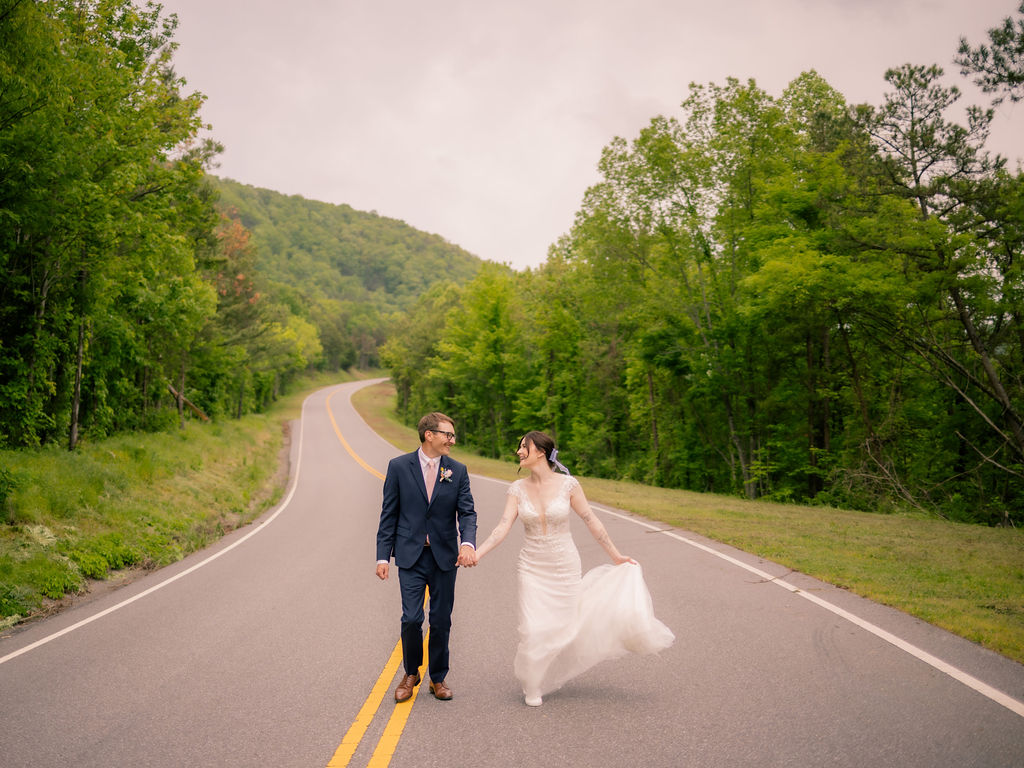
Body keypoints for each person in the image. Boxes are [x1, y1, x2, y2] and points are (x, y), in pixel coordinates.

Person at [473, 431, 674, 706]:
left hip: (564, 564)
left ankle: (554, 668)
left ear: (541, 452)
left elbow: (591, 519)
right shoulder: (517, 489)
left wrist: (616, 556)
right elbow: (502, 527)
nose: (518, 451)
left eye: (524, 447)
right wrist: (478, 553)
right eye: (519, 447)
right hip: (531, 565)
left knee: (564, 625)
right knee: (532, 627)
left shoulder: (568, 485)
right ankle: (533, 685)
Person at [376, 412, 477, 702]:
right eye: (448, 434)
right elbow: (389, 515)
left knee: (441, 619)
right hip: (410, 556)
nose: (452, 440)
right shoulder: (398, 467)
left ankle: (438, 677)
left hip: (445, 557)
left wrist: (467, 543)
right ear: (428, 435)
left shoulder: (457, 470)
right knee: (411, 618)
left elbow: (467, 512)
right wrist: (383, 556)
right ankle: (411, 673)